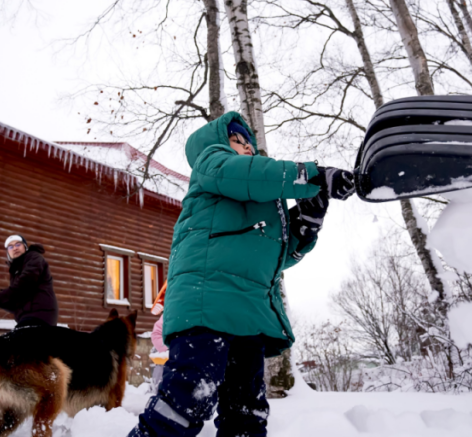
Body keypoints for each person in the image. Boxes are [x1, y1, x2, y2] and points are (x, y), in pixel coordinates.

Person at [129, 112, 355, 437]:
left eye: (249, 142)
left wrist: (307, 220)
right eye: (238, 140)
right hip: (206, 308)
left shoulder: (256, 200)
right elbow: (250, 176)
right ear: (219, 143)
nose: (247, 147)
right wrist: (313, 176)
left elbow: (274, 256)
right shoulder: (213, 165)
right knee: (185, 402)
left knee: (246, 412)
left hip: (248, 317)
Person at [0, 234, 59, 329]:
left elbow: (27, 281)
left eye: (18, 244)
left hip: (40, 315)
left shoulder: (34, 257)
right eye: (11, 246)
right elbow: (17, 303)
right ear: (8, 252)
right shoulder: (16, 270)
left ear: (25, 247)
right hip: (28, 317)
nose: (15, 248)